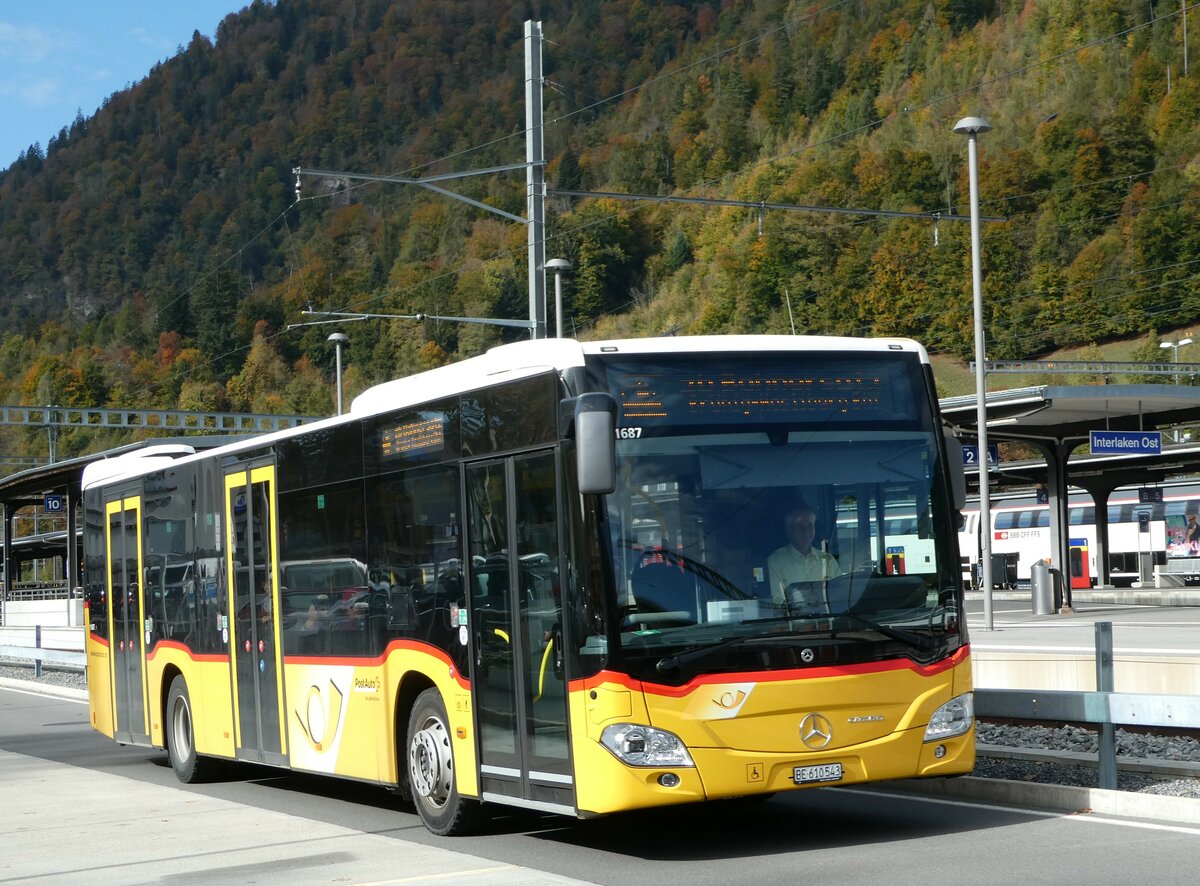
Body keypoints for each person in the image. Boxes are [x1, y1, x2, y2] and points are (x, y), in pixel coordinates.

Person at [767, 502, 839, 605]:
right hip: (792, 619)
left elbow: (840, 594)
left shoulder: (828, 559)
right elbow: (777, 601)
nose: (806, 532)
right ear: (789, 530)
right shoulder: (776, 561)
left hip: (827, 619)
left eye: (810, 526)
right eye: (799, 526)